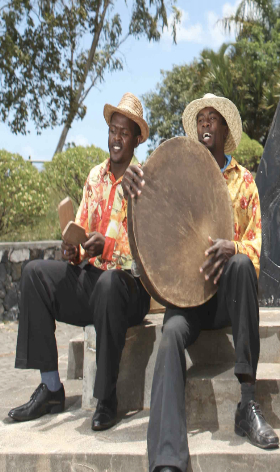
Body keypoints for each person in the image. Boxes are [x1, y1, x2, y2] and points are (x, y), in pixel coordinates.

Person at [123, 94, 279, 472]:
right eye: (202, 120)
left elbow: (258, 249)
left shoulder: (244, 183)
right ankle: (166, 456)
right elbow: (150, 242)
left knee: (241, 265)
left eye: (213, 119)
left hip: (226, 297)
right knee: (171, 335)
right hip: (186, 299)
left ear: (225, 131)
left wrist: (233, 247)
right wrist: (133, 200)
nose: (206, 124)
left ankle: (247, 402)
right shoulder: (175, 176)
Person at [9, 93, 151, 432]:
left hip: (129, 289)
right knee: (33, 274)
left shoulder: (145, 182)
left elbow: (150, 252)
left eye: (124, 132)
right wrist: (75, 249)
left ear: (135, 139)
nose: (116, 138)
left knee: (109, 282)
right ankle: (52, 389)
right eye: (113, 130)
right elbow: (83, 232)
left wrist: (109, 246)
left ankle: (106, 398)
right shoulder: (94, 176)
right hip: (93, 281)